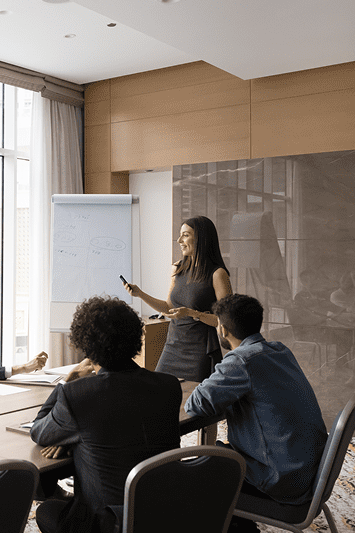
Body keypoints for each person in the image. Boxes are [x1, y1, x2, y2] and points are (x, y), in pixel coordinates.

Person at [30, 296, 182, 533]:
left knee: (46, 511)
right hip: (166, 513)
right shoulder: (169, 386)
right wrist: (79, 438)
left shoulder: (77, 395)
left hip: (109, 523)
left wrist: (68, 382)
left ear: (86, 346)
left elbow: (39, 431)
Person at [185, 294, 328, 533]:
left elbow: (196, 404)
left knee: (194, 473)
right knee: (219, 455)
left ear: (223, 329)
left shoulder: (241, 361)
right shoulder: (280, 350)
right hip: (307, 471)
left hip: (282, 481)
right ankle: (240, 523)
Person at [123, 215, 232, 382]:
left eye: (185, 235)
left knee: (191, 396)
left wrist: (192, 313)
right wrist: (140, 294)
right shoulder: (177, 268)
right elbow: (168, 307)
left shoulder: (218, 274)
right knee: (158, 389)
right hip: (172, 346)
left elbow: (227, 320)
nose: (179, 240)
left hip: (199, 351)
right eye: (180, 235)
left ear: (201, 239)